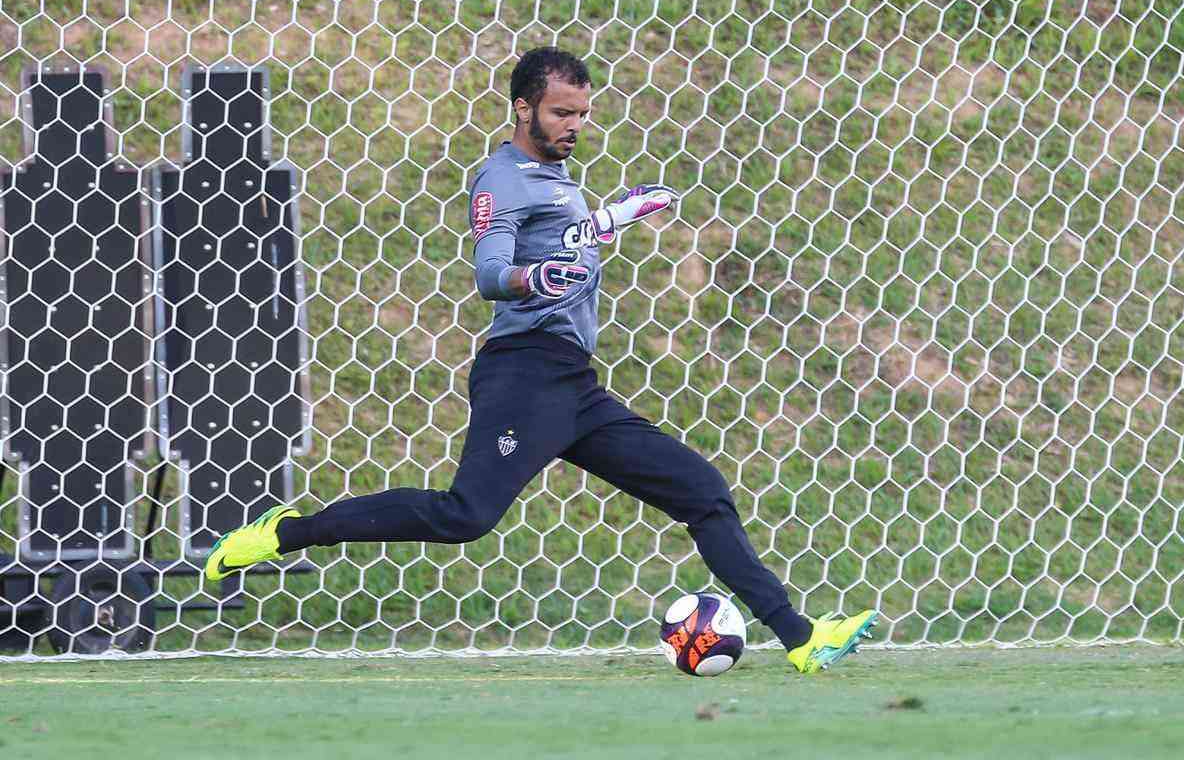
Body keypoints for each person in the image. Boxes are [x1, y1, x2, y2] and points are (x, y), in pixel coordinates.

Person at [205, 46, 878, 673]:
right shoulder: (500, 179)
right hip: (523, 374)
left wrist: (614, 217)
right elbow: (493, 270)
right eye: (562, 112)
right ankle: (288, 533)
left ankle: (800, 639)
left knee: (701, 493)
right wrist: (533, 279)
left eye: (582, 112)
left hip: (573, 385)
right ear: (523, 107)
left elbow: (565, 237)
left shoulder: (553, 179)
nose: (575, 124)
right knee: (464, 516)